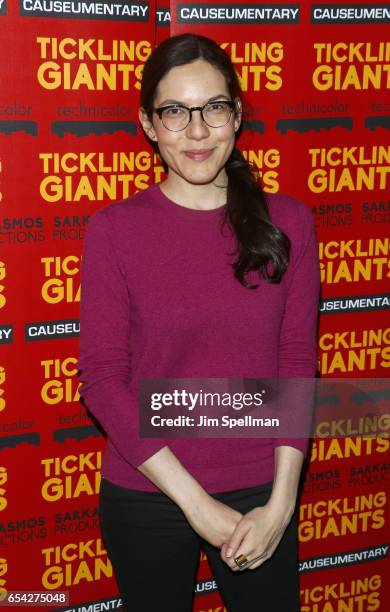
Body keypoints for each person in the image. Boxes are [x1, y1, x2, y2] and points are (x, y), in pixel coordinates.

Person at [77, 33, 320, 612]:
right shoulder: (115, 230)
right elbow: (103, 379)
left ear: (236, 115)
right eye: (174, 112)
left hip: (263, 488)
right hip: (151, 491)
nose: (196, 131)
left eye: (213, 108)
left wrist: (282, 503)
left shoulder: (289, 222)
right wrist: (195, 502)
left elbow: (296, 363)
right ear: (148, 123)